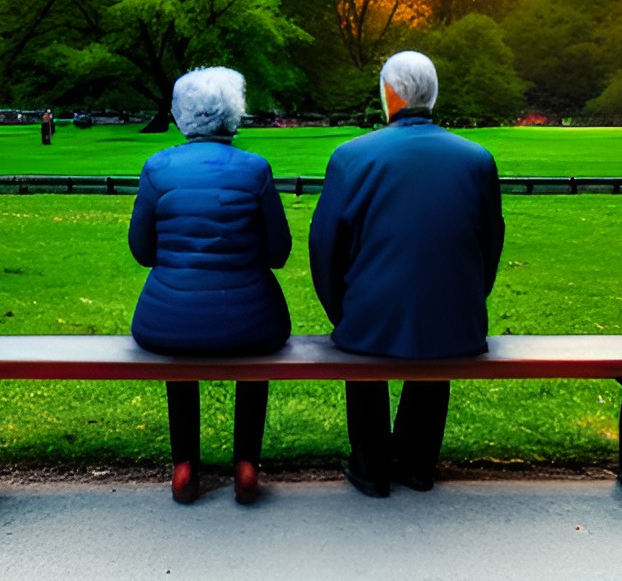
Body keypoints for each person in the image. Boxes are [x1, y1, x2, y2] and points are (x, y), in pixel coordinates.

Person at [308, 51, 504, 498]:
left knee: (363, 337)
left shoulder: (351, 157)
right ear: (432, 95)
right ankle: (418, 463)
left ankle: (370, 464)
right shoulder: (477, 159)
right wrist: (469, 297)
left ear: (389, 94)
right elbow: (490, 242)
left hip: (369, 316)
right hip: (456, 320)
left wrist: (341, 309)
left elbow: (324, 246)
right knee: (437, 324)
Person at [128, 67, 292, 506]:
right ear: (233, 113)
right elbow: (279, 253)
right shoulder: (256, 169)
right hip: (252, 319)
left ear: (181, 116)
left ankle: (184, 465)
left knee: (183, 341)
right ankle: (246, 464)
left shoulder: (158, 167)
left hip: (167, 318)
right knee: (251, 353)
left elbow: (142, 250)